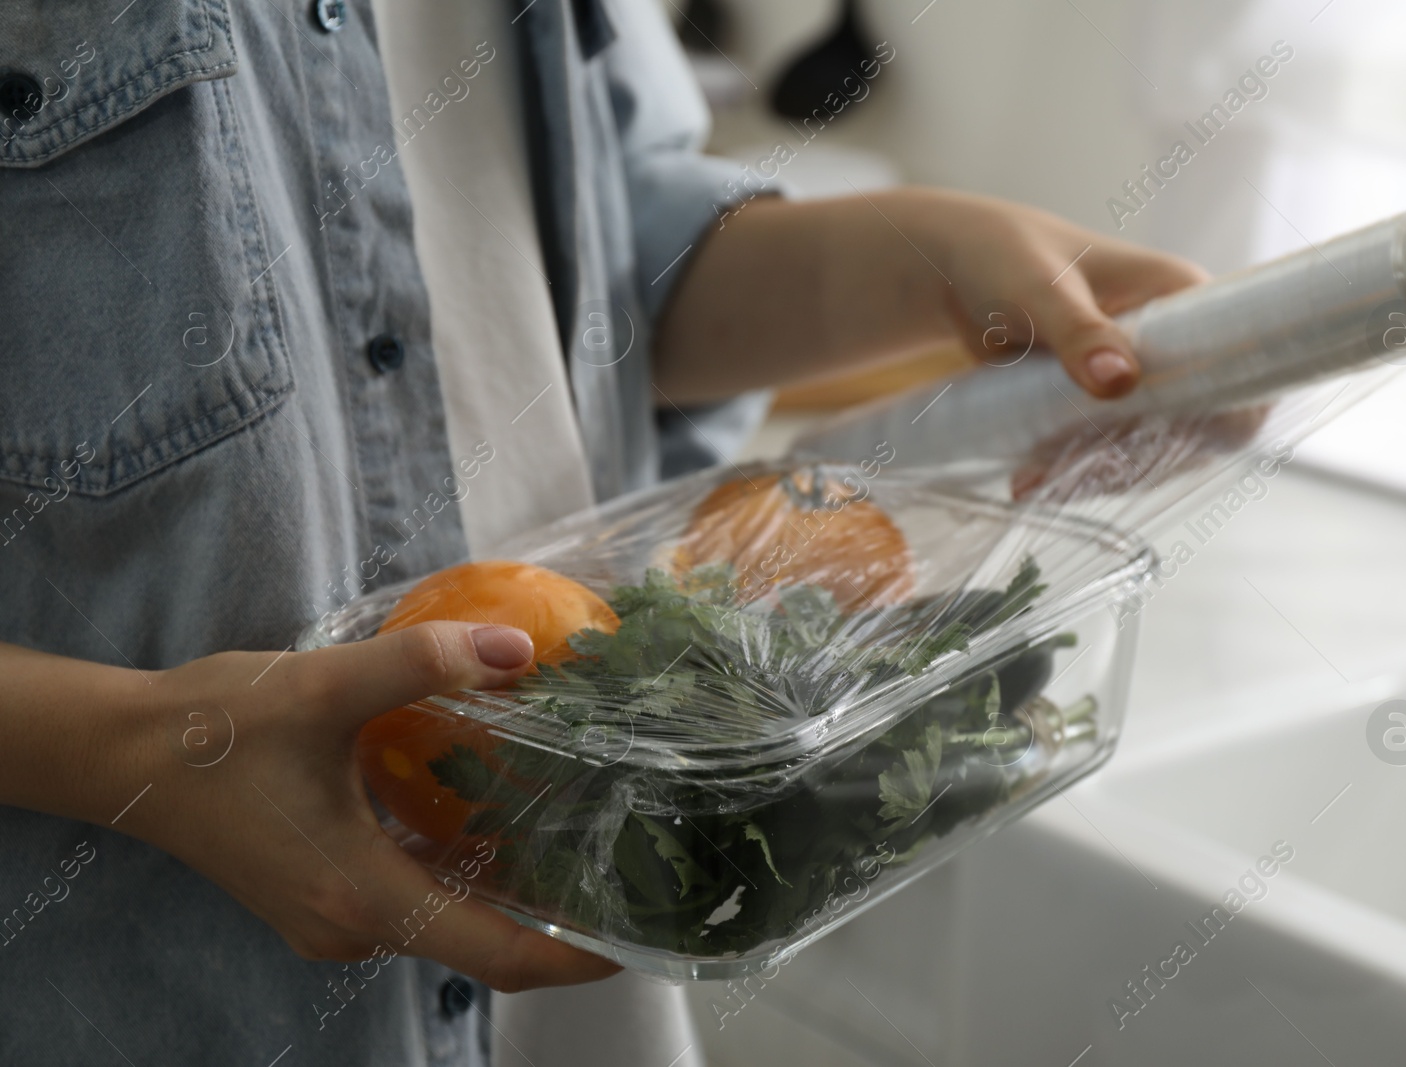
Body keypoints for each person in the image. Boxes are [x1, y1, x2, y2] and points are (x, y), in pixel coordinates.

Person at [0, 1, 1204, 1064]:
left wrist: (920, 258)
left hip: (578, 923)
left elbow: (597, 266)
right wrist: (150, 752)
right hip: (161, 980)